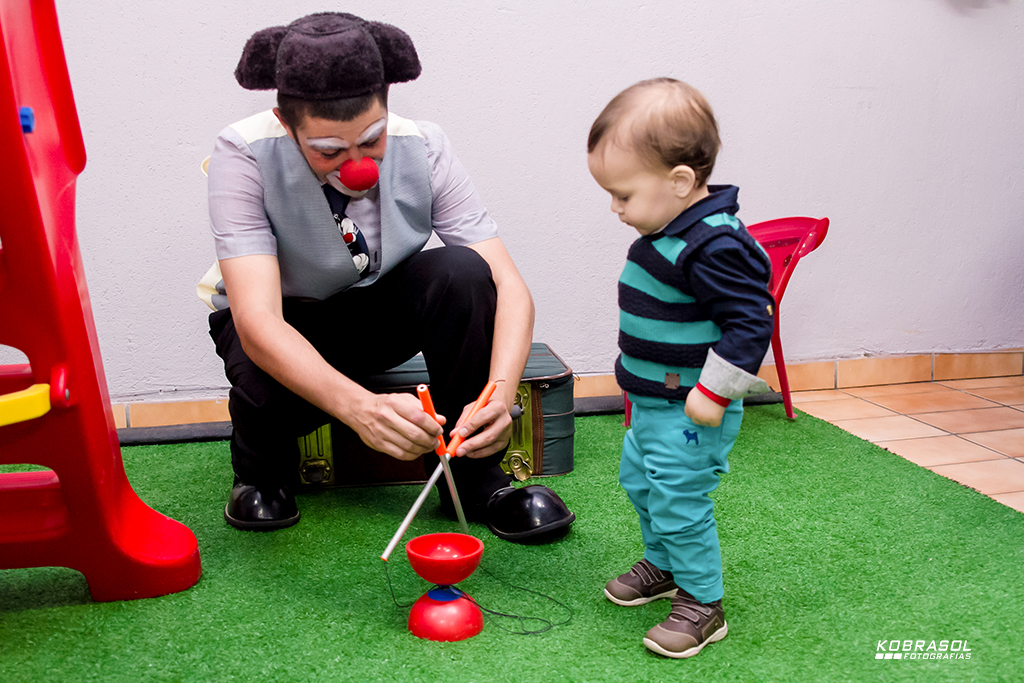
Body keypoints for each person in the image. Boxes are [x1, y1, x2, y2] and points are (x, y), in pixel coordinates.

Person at [197, 12, 573, 540]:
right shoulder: (243, 153)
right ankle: (257, 471)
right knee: (261, 372)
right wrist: (360, 409)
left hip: (374, 312)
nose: (357, 165)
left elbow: (508, 285)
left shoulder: (425, 144)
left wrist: (498, 396)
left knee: (463, 273)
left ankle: (472, 477)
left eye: (371, 140)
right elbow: (259, 321)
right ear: (286, 124)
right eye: (329, 151)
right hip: (284, 323)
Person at [586, 78, 774, 658]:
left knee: (679, 498)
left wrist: (714, 393)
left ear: (680, 182)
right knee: (641, 483)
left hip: (690, 406)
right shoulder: (667, 227)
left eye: (623, 195)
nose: (615, 209)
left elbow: (752, 322)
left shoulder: (714, 245)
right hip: (651, 401)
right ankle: (663, 566)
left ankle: (703, 602)